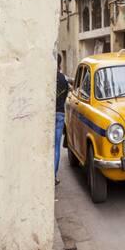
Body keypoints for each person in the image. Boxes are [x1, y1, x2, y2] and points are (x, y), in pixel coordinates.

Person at [55, 54, 68, 185]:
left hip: (50, 114)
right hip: (60, 114)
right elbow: (65, 96)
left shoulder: (48, 78)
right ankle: (53, 176)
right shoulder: (63, 79)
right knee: (56, 147)